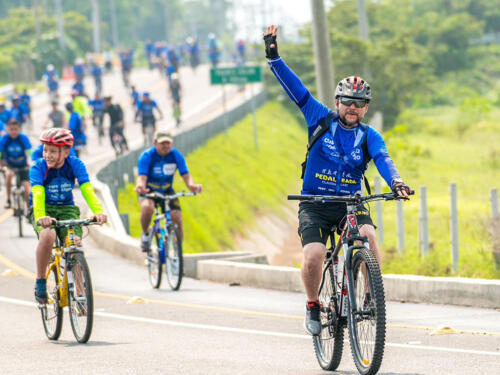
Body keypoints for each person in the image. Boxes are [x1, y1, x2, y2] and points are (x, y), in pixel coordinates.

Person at [263, 25, 412, 335]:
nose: (352, 107)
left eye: (359, 103)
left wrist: (396, 182)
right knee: (315, 254)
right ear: (336, 102)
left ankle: (371, 299)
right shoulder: (318, 117)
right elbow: (296, 89)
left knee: (368, 236)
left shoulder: (369, 136)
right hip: (315, 205)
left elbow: (384, 159)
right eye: (347, 101)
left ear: (366, 107)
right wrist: (274, 57)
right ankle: (313, 304)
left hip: (350, 204)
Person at [31, 128, 107, 304]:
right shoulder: (38, 167)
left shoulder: (75, 164)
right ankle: (40, 281)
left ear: (65, 152)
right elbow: (38, 194)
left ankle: (80, 294)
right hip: (45, 209)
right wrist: (42, 216)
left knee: (76, 245)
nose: (47, 155)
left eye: (52, 151)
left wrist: (98, 211)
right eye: (45, 150)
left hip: (67, 209)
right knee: (48, 236)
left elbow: (87, 189)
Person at [135, 130, 202, 251]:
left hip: (167, 190)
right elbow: (142, 177)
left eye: (168, 143)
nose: (166, 146)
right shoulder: (147, 156)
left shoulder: (175, 155)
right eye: (162, 143)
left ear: (172, 143)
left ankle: (178, 252)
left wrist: (192, 185)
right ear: (155, 143)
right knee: (147, 208)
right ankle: (145, 234)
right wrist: (141, 186)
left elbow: (186, 175)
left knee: (177, 218)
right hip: (149, 190)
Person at [0, 119, 32, 210]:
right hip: (10, 164)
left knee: (26, 187)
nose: (13, 131)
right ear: (7, 129)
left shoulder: (23, 138)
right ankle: (8, 199)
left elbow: (29, 151)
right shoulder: (4, 139)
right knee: (8, 175)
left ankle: (28, 209)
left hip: (23, 165)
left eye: (16, 129)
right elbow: (0, 152)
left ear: (19, 129)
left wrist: (32, 162)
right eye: (11, 129)